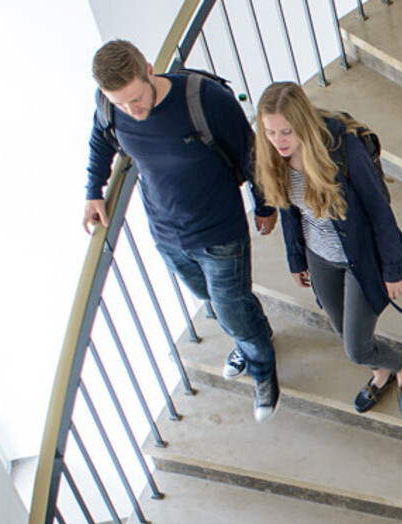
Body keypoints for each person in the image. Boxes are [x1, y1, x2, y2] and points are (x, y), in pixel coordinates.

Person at [84, 40, 282, 421]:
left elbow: (251, 153)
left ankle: (263, 366)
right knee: (217, 301)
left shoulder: (204, 99)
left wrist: (265, 204)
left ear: (147, 68)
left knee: (230, 309)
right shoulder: (109, 106)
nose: (132, 111)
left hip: (220, 232)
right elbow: (99, 140)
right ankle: (252, 334)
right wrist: (93, 191)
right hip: (167, 235)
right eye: (122, 104)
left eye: (137, 99)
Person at [252, 82, 402, 414]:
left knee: (356, 348)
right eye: (270, 132)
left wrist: (393, 267)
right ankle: (380, 372)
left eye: (286, 131)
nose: (278, 141)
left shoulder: (343, 148)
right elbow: (290, 211)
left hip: (360, 255)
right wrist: (296, 257)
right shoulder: (275, 157)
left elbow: (379, 210)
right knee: (344, 329)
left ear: (304, 123)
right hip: (319, 256)